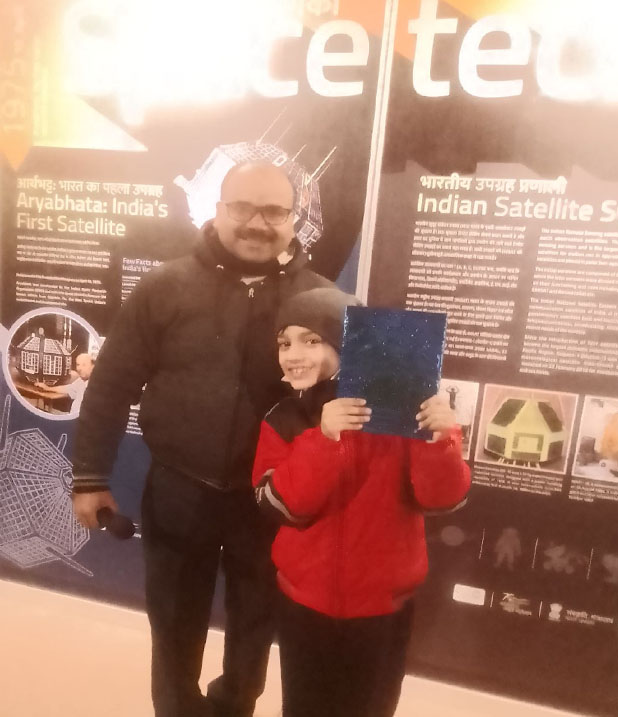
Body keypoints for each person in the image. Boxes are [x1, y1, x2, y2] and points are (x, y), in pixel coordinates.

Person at [70, 162, 333, 717]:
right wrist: (90, 477)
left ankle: (234, 707)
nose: (257, 223)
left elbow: (354, 400)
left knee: (256, 623)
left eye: (275, 211)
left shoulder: (323, 301)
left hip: (271, 498)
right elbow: (111, 385)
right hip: (178, 489)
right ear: (217, 209)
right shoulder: (163, 287)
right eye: (243, 208)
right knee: (172, 620)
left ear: (295, 219)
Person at [252, 288, 471, 717]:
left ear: (347, 344)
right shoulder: (284, 418)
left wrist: (440, 440)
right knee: (304, 708)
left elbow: (443, 500)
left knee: (371, 709)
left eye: (312, 340)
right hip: (304, 606)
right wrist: (324, 440)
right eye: (284, 342)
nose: (293, 354)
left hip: (382, 609)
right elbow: (279, 505)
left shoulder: (401, 416)